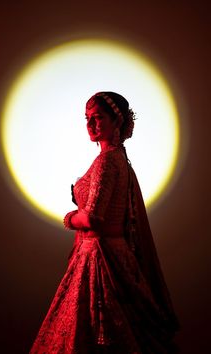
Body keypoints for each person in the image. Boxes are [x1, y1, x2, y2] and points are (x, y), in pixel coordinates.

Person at [30, 92, 179, 354]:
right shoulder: (121, 160)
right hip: (116, 254)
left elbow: (93, 219)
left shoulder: (107, 161)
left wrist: (69, 217)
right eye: (87, 118)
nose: (90, 125)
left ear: (117, 121)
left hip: (99, 259)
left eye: (97, 118)